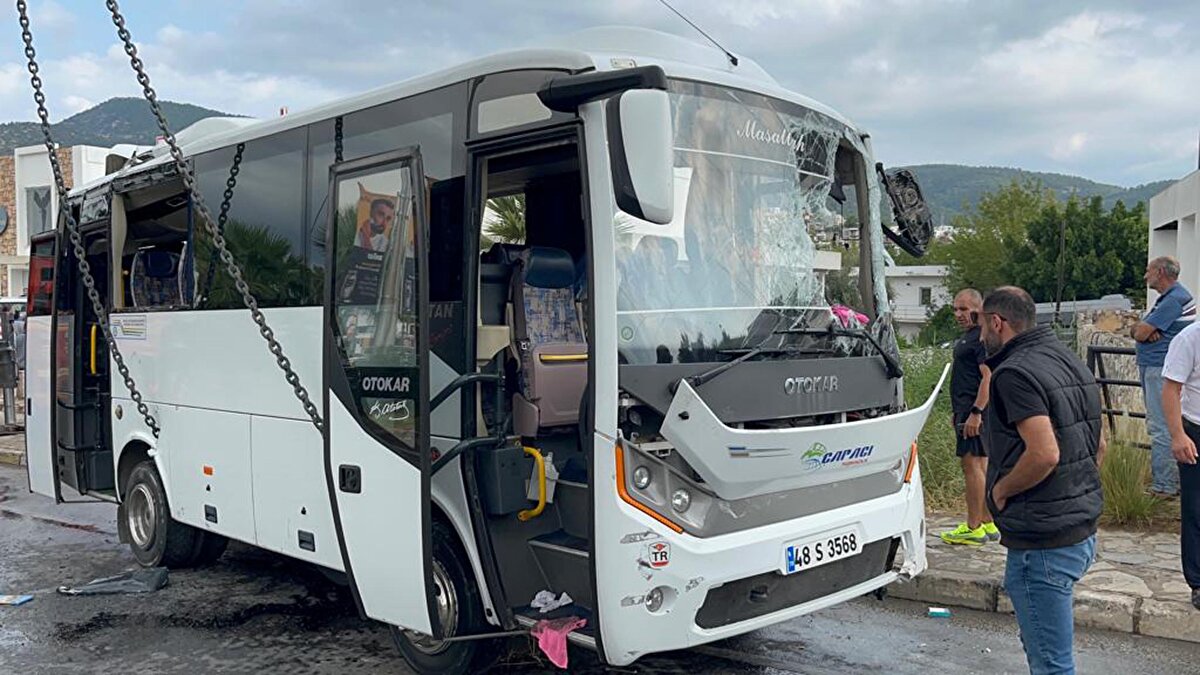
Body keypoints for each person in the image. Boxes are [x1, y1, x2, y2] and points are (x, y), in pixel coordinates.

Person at [980, 286, 1104, 675]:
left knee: (1051, 664)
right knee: (1046, 649)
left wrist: (1001, 490)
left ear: (997, 323)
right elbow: (1099, 444)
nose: (980, 333)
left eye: (983, 323)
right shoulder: (1066, 359)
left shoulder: (1013, 374)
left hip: (1042, 542)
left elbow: (1045, 453)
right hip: (1078, 527)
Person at [940, 289, 999, 545]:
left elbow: (988, 376)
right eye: (955, 309)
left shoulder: (979, 340)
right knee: (981, 466)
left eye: (964, 309)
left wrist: (976, 412)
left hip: (974, 411)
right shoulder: (970, 338)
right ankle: (986, 522)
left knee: (972, 466)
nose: (958, 314)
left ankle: (973, 526)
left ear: (978, 308)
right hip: (965, 410)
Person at [1132, 256, 1194, 498]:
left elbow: (1141, 333)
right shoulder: (1166, 300)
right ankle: (1169, 481)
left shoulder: (1174, 300)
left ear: (1160, 272)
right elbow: (1139, 330)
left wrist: (1145, 330)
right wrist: (1143, 329)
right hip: (1156, 366)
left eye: (1148, 271)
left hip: (1160, 367)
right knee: (1162, 425)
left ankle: (1165, 485)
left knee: (1161, 426)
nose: (1145, 276)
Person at [1159, 320, 1200, 610]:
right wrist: (1178, 436)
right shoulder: (1189, 339)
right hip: (1195, 430)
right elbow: (1171, 389)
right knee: (1196, 509)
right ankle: (1198, 582)